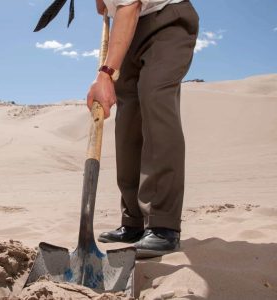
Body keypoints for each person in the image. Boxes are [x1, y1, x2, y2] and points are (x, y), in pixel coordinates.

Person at [86, 0, 199, 257]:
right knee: (128, 123)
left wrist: (105, 74)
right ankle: (133, 221)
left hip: (166, 22)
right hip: (128, 30)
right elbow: (106, 7)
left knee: (154, 98)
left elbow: (129, 6)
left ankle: (162, 225)